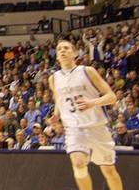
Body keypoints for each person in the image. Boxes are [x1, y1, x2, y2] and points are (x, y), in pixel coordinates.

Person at [49, 37, 124, 190]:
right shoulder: (53, 79)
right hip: (73, 128)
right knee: (78, 164)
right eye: (59, 49)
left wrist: (92, 103)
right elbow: (58, 100)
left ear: (75, 53)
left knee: (109, 170)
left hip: (96, 126)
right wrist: (56, 116)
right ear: (56, 56)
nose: (62, 51)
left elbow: (112, 97)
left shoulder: (87, 71)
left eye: (66, 48)